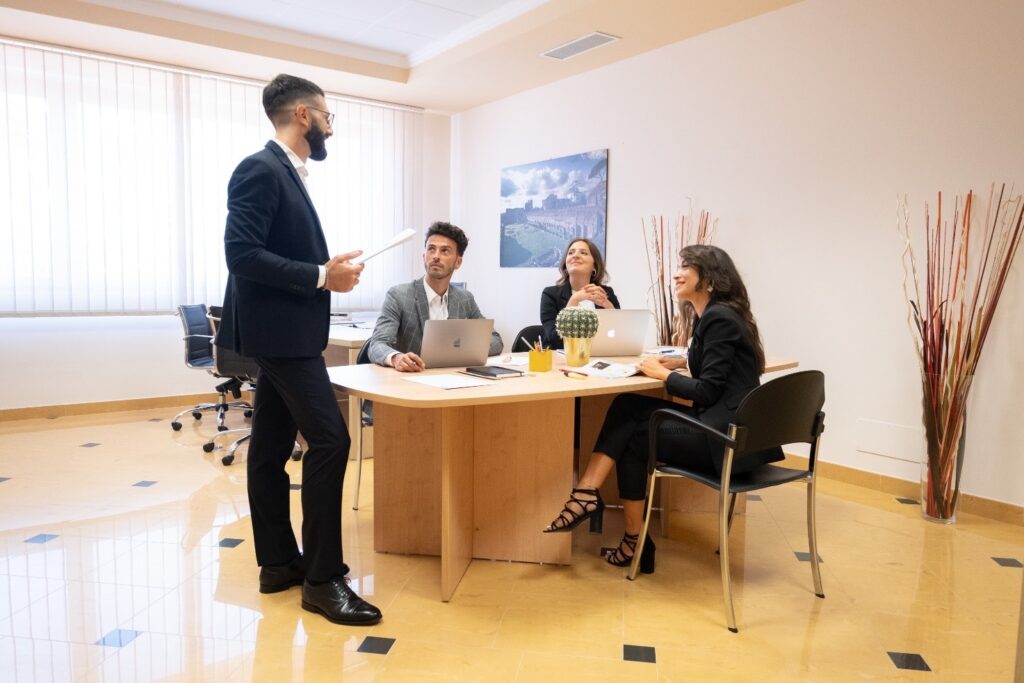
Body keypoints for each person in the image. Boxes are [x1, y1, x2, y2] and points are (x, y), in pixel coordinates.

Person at [216, 74, 381, 626]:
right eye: (329, 117)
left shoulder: (286, 172)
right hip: (281, 337)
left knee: (267, 449)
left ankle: (280, 563)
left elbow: (269, 251)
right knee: (333, 440)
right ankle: (323, 579)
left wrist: (326, 271)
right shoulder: (260, 168)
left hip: (281, 332)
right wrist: (320, 276)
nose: (332, 127)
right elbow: (241, 255)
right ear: (305, 115)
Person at [541, 245, 782, 573]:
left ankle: (611, 519)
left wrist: (662, 374)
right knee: (628, 407)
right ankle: (597, 504)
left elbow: (709, 391)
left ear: (709, 279)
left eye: (686, 267)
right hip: (734, 432)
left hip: (725, 441)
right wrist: (682, 361)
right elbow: (718, 369)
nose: (676, 273)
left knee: (634, 436)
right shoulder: (718, 315)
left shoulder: (718, 318)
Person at [366, 221, 503, 371]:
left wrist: (463, 351)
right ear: (424, 256)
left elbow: (496, 340)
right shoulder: (398, 295)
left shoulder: (465, 299)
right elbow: (377, 344)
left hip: (454, 382)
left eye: (445, 251)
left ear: (458, 262)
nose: (436, 256)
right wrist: (396, 357)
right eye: (431, 249)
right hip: (410, 383)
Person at [540, 238, 620, 350]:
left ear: (594, 266)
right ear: (566, 266)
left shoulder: (607, 293)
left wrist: (608, 306)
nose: (575, 256)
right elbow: (556, 341)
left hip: (599, 359)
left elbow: (618, 336)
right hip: (561, 361)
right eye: (571, 252)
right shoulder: (550, 294)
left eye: (583, 253)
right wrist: (574, 300)